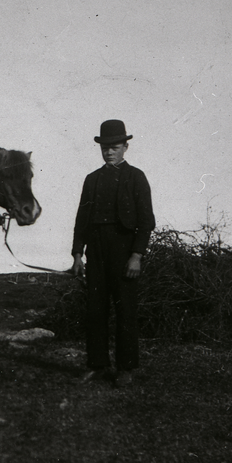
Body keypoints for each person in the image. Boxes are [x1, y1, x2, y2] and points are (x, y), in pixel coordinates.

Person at [70, 119, 155, 388]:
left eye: (114, 147)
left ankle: (126, 368)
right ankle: (97, 365)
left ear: (125, 147)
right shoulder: (92, 180)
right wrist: (76, 254)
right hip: (96, 250)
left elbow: (146, 221)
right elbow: (82, 219)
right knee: (96, 310)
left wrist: (137, 255)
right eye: (105, 147)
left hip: (124, 250)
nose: (109, 152)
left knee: (125, 310)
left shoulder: (136, 177)